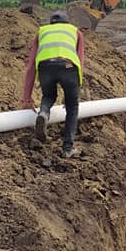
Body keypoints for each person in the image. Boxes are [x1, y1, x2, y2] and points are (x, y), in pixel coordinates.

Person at [21, 10, 85, 158]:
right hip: (68, 66)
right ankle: (67, 148)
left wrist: (27, 98)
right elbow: (80, 62)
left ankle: (44, 113)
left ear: (51, 23)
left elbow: (31, 66)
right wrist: (76, 88)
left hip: (45, 67)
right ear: (67, 22)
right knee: (72, 106)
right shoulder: (75, 32)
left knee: (48, 95)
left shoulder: (42, 32)